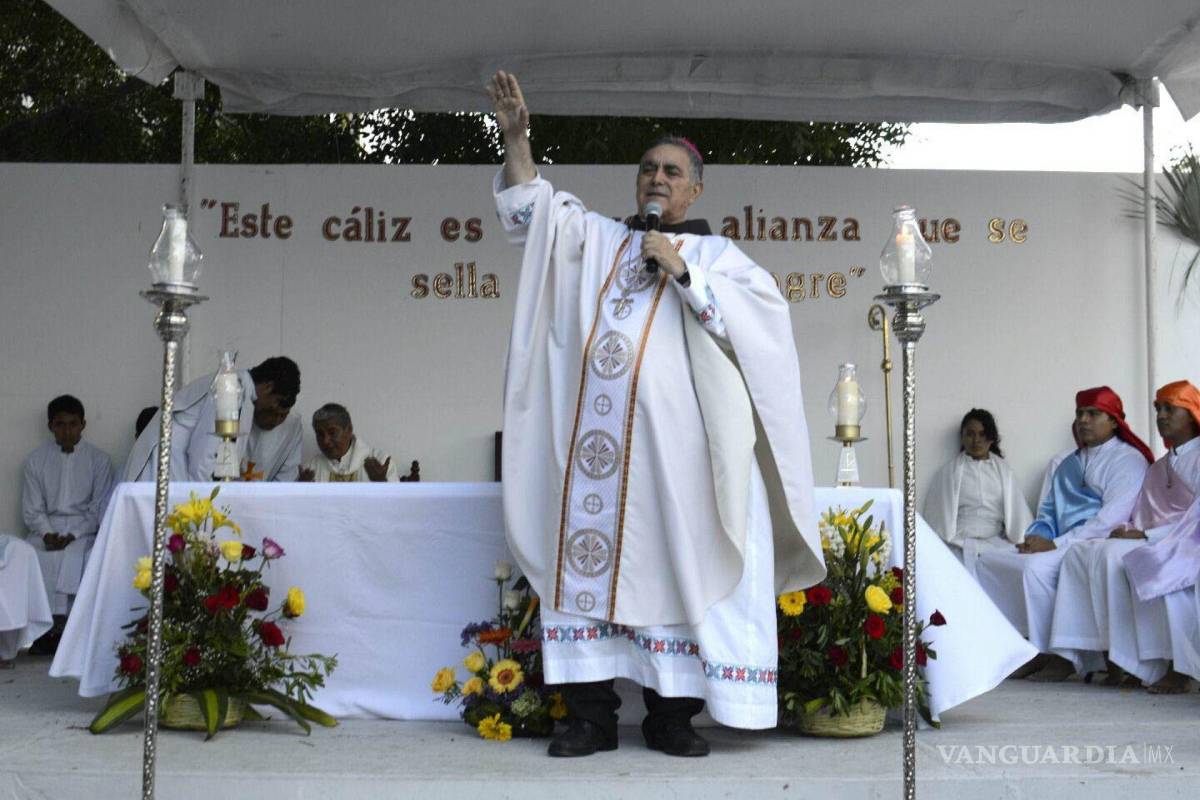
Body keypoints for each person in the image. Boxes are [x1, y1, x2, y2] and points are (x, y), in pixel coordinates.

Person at [489, 71, 823, 758]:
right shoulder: (600, 241)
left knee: (684, 574)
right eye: (647, 169)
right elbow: (537, 214)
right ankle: (590, 717)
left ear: (695, 190)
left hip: (681, 464)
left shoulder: (719, 255)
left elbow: (759, 336)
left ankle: (674, 718)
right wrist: (516, 141)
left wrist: (683, 270)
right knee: (581, 573)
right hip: (596, 461)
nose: (656, 178)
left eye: (671, 171)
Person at [975, 386, 1151, 681]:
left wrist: (1054, 543)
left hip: (1092, 543)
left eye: (1093, 414)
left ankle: (1054, 652)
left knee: (1033, 571)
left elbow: (1111, 519)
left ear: (1113, 421)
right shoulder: (1069, 462)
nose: (1083, 420)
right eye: (1080, 413)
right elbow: (1048, 512)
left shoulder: (1128, 460)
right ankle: (1020, 648)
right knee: (990, 562)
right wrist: (1035, 537)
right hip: (1057, 543)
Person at [1048, 381, 1200, 689]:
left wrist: (1148, 537)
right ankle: (1122, 657)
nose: (1161, 416)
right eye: (1158, 408)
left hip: (1189, 542)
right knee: (1087, 551)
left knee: (1151, 565)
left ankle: (1177, 668)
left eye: (1170, 408)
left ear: (1193, 414)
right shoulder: (1160, 467)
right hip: (1160, 538)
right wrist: (1130, 531)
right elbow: (1144, 512)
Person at [22, 395, 114, 652]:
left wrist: (72, 534)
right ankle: (44, 631)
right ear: (50, 426)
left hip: (83, 530)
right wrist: (47, 533)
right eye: (61, 424)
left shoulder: (99, 461)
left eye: (73, 424)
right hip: (45, 529)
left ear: (83, 425)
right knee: (30, 556)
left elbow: (98, 508)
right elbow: (32, 509)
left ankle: (72, 633)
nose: (67, 431)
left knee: (81, 557)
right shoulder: (35, 461)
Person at [121, 356, 302, 483]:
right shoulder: (231, 389)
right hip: (160, 470)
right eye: (277, 403)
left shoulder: (240, 391)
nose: (274, 411)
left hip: (171, 470)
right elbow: (206, 456)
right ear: (268, 387)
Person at [924, 409, 1033, 576]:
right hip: (959, 543)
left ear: (991, 438)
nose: (976, 440)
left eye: (982, 434)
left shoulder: (1003, 471)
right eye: (970, 434)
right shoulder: (949, 473)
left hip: (996, 545)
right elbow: (937, 520)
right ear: (962, 437)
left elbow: (1018, 515)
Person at [299, 403, 398, 482]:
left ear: (349, 430)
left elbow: (397, 505)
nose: (325, 441)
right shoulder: (311, 468)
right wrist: (301, 492)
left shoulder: (380, 462)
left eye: (332, 433)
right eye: (320, 434)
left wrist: (381, 483)